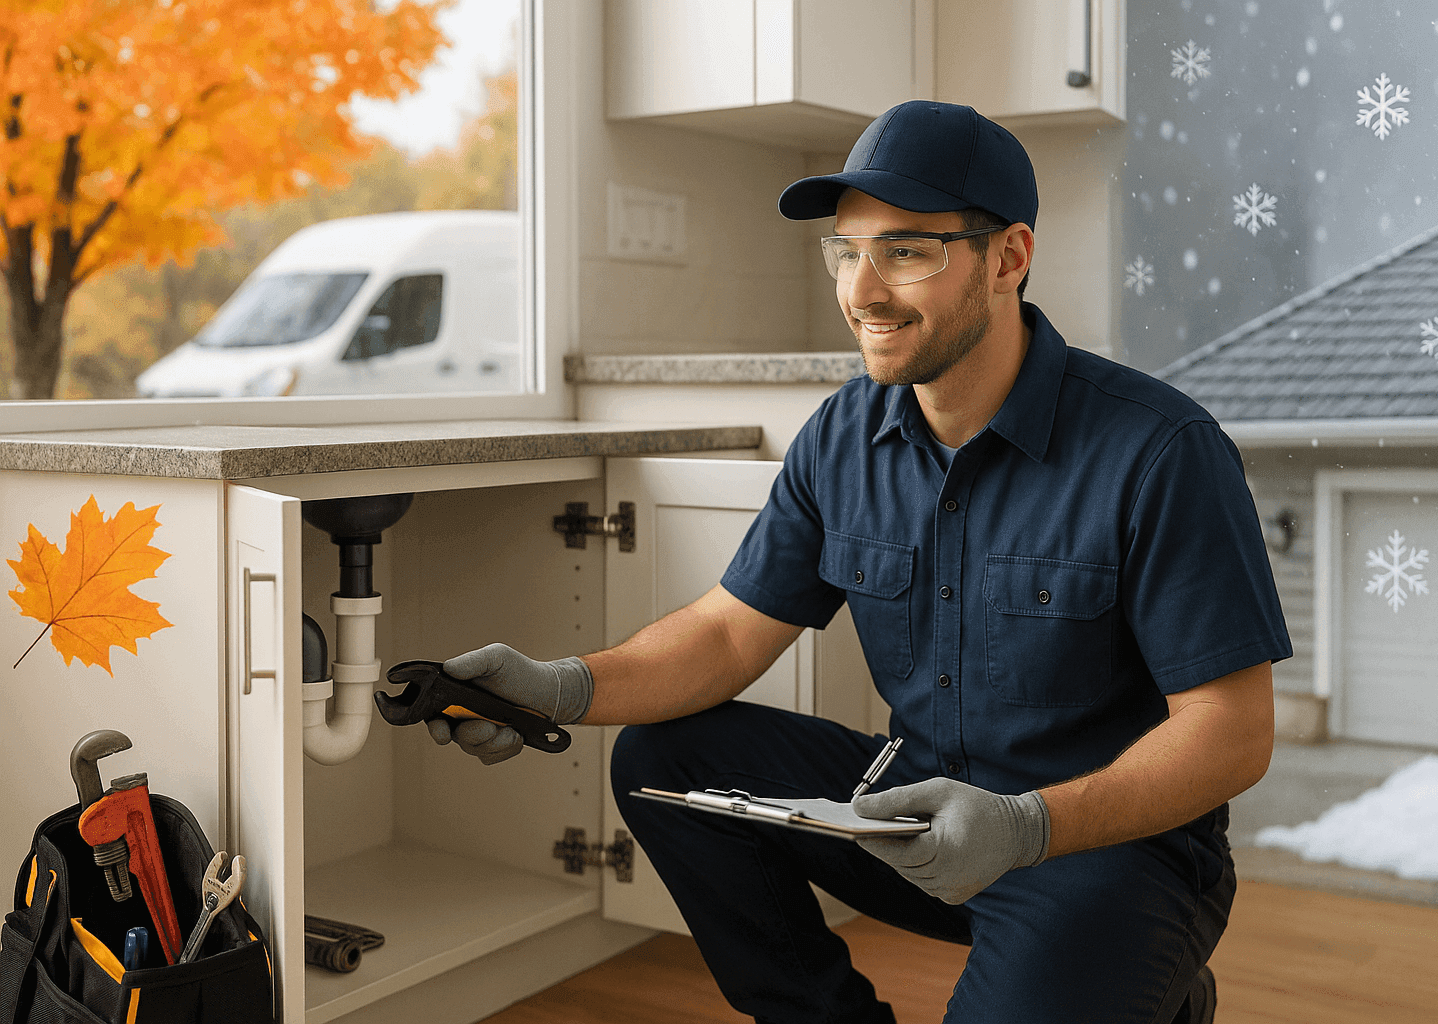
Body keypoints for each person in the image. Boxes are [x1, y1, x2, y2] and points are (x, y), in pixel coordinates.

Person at [428, 100, 1292, 1024]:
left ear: (1009, 258)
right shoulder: (843, 435)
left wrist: (1026, 826)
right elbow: (726, 633)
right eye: (848, 250)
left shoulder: (1160, 450)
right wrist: (557, 688)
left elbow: (1232, 730)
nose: (862, 292)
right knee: (664, 757)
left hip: (1106, 851)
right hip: (908, 814)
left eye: (908, 251)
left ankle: (1153, 985)